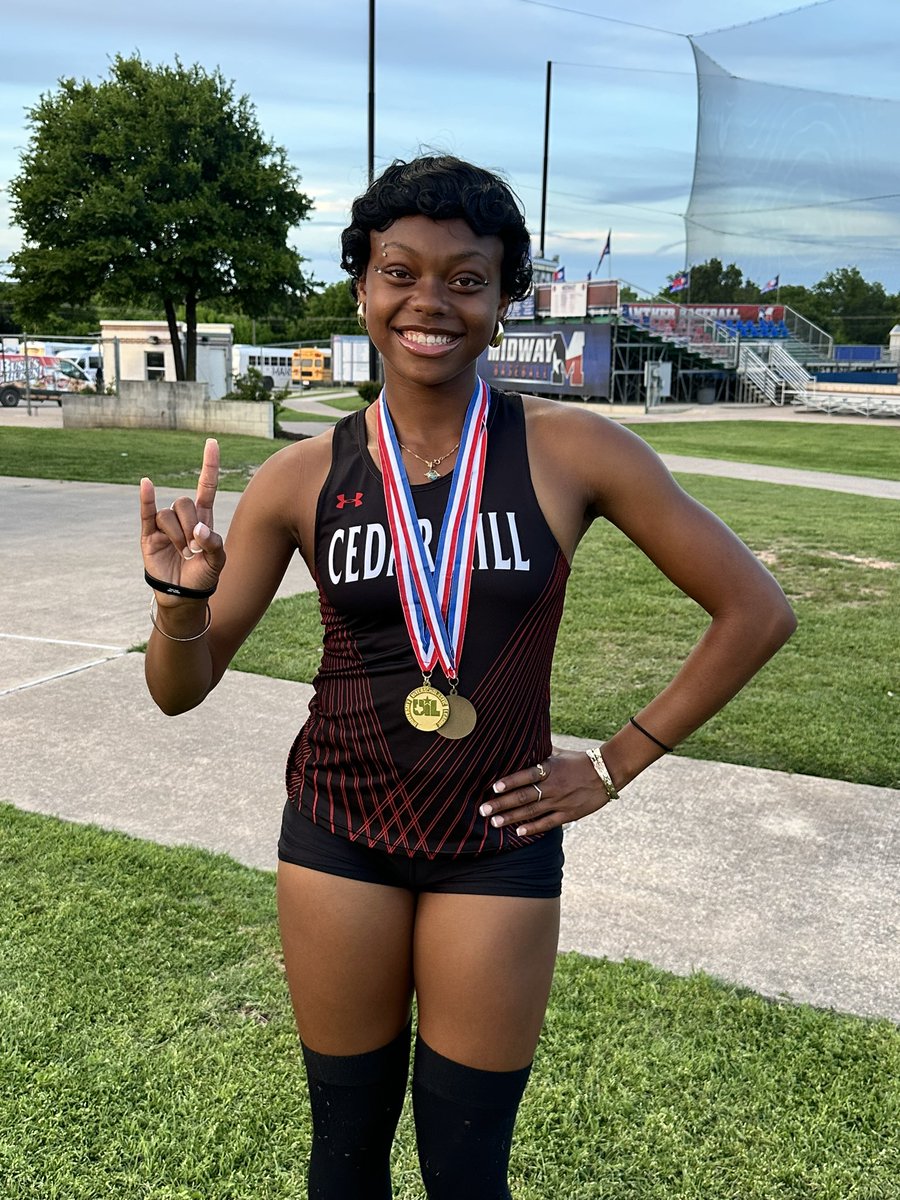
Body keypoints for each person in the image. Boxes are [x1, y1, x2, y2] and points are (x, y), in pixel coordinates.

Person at [139, 154, 796, 1199]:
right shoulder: (302, 475)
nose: (429, 301)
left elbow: (757, 610)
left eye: (466, 277)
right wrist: (178, 605)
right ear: (361, 288)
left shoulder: (573, 448)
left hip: (497, 845)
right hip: (337, 833)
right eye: (400, 271)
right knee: (343, 1158)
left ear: (505, 297)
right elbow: (180, 689)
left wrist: (619, 763)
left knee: (468, 1172)